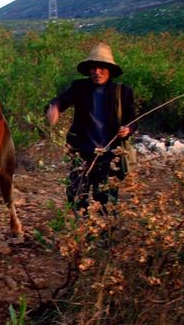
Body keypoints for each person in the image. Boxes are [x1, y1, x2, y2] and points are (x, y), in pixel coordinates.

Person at [46, 42, 137, 213]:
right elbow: (60, 101)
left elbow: (132, 120)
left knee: (106, 199)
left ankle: (105, 236)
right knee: (76, 195)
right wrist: (54, 108)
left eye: (101, 67)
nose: (96, 72)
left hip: (110, 154)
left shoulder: (122, 91)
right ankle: (80, 233)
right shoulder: (79, 87)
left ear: (109, 69)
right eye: (93, 68)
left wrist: (127, 129)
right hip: (82, 151)